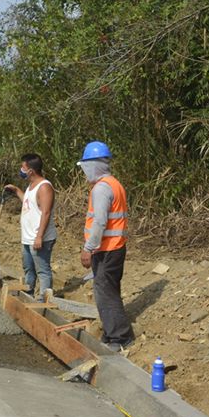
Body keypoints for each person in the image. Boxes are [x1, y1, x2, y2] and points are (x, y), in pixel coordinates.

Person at [77, 141, 134, 351]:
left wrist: (88, 249)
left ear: (92, 165)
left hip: (106, 249)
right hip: (115, 247)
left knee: (104, 292)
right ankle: (113, 333)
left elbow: (99, 222)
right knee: (110, 289)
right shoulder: (114, 183)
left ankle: (119, 337)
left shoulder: (101, 189)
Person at [4, 153, 57, 301]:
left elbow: (46, 213)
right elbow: (29, 204)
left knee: (43, 271)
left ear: (31, 171)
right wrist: (16, 191)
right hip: (27, 238)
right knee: (29, 269)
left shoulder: (44, 187)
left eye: (23, 167)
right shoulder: (31, 186)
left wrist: (39, 237)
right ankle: (28, 295)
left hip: (39, 238)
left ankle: (43, 301)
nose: (21, 170)